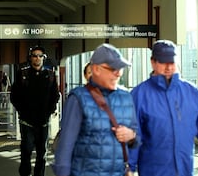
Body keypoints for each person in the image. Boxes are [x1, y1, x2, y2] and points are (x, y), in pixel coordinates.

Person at [52, 43, 138, 176]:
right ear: (96, 69)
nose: (118, 74)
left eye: (120, 69)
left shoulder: (126, 97)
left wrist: (132, 136)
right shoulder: (78, 99)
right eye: (113, 69)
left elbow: (137, 137)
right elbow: (65, 146)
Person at [129, 40, 198, 176]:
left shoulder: (193, 94)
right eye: (163, 62)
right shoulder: (139, 95)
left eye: (172, 62)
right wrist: (129, 167)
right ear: (153, 62)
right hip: (153, 171)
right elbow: (133, 136)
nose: (169, 67)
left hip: (185, 171)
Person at [10, 46, 60, 176]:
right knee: (26, 152)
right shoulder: (23, 74)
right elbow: (14, 95)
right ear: (30, 58)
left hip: (43, 122)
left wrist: (50, 111)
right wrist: (22, 111)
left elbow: (55, 95)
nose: (37, 58)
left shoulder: (49, 75)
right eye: (34, 55)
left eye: (40, 56)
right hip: (26, 122)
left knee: (41, 154)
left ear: (44, 58)